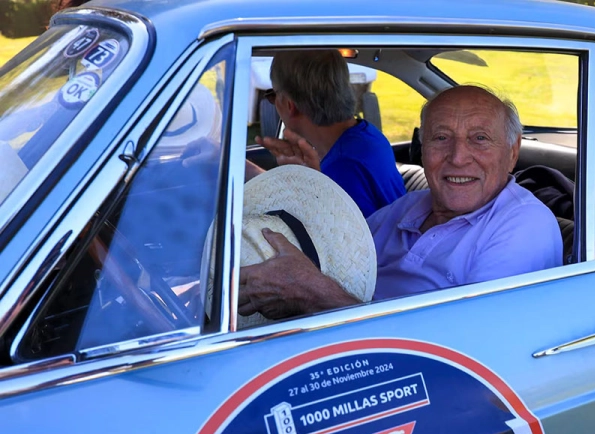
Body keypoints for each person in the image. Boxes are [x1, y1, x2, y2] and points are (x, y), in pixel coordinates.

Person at [238, 85, 562, 320]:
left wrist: (316, 295)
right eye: (441, 138)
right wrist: (307, 194)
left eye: (479, 138)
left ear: (512, 152)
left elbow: (465, 354)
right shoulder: (411, 206)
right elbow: (338, 256)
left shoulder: (524, 226)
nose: (458, 157)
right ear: (422, 150)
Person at [246, 50, 406, 217]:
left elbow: (333, 239)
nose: (273, 103)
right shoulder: (366, 135)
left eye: (272, 96)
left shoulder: (342, 168)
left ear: (289, 105)